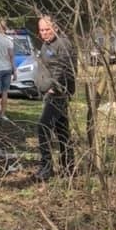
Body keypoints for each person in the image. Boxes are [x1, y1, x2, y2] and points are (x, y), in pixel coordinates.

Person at [34, 15, 77, 181]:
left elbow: (63, 68)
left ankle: (46, 167)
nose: (44, 33)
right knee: (62, 131)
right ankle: (68, 167)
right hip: (50, 92)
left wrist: (52, 87)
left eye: (47, 29)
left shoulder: (63, 44)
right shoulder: (46, 44)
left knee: (43, 127)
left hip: (59, 93)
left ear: (55, 28)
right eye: (42, 30)